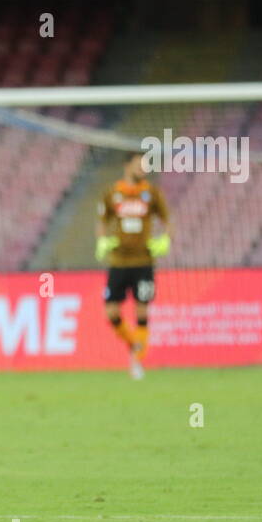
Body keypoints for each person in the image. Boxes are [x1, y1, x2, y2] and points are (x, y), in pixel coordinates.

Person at [96, 151, 172, 380]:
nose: (143, 169)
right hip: (118, 261)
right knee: (111, 312)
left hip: (143, 262)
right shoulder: (113, 193)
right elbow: (101, 220)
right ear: (127, 166)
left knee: (141, 309)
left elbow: (167, 220)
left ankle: (137, 362)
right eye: (139, 165)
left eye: (146, 166)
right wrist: (102, 240)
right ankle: (134, 343)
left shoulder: (151, 193)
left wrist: (165, 239)